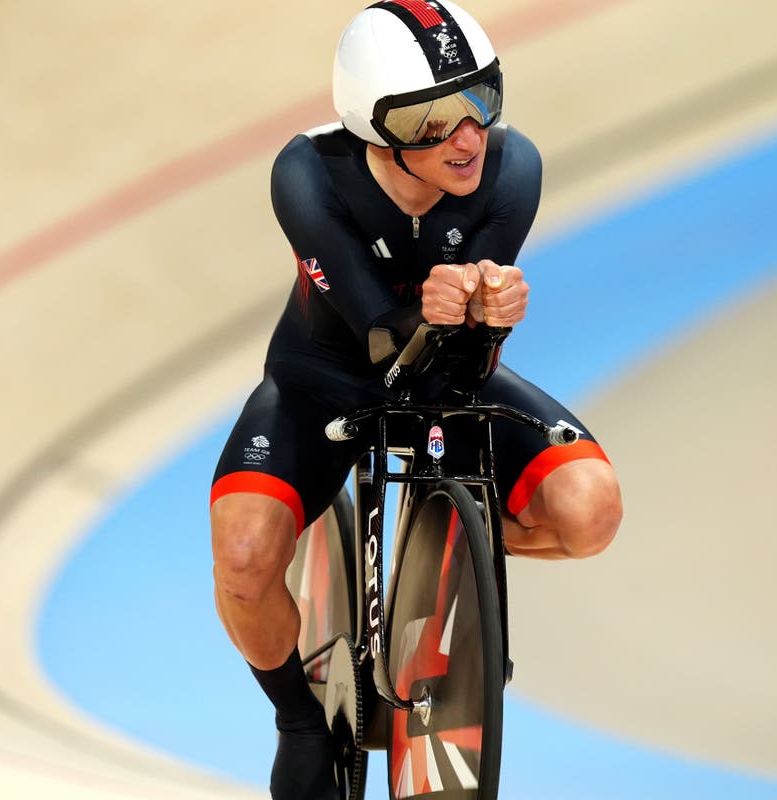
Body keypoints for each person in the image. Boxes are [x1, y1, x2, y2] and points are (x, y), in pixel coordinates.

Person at [209, 1, 623, 797]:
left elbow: (462, 362)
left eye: (481, 101)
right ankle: (297, 721)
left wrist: (489, 316)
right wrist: (433, 307)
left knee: (591, 513)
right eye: (433, 120)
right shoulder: (308, 175)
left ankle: (439, 555)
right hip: (323, 374)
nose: (468, 137)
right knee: (245, 560)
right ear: (375, 126)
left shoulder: (513, 170)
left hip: (444, 379)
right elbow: (374, 335)